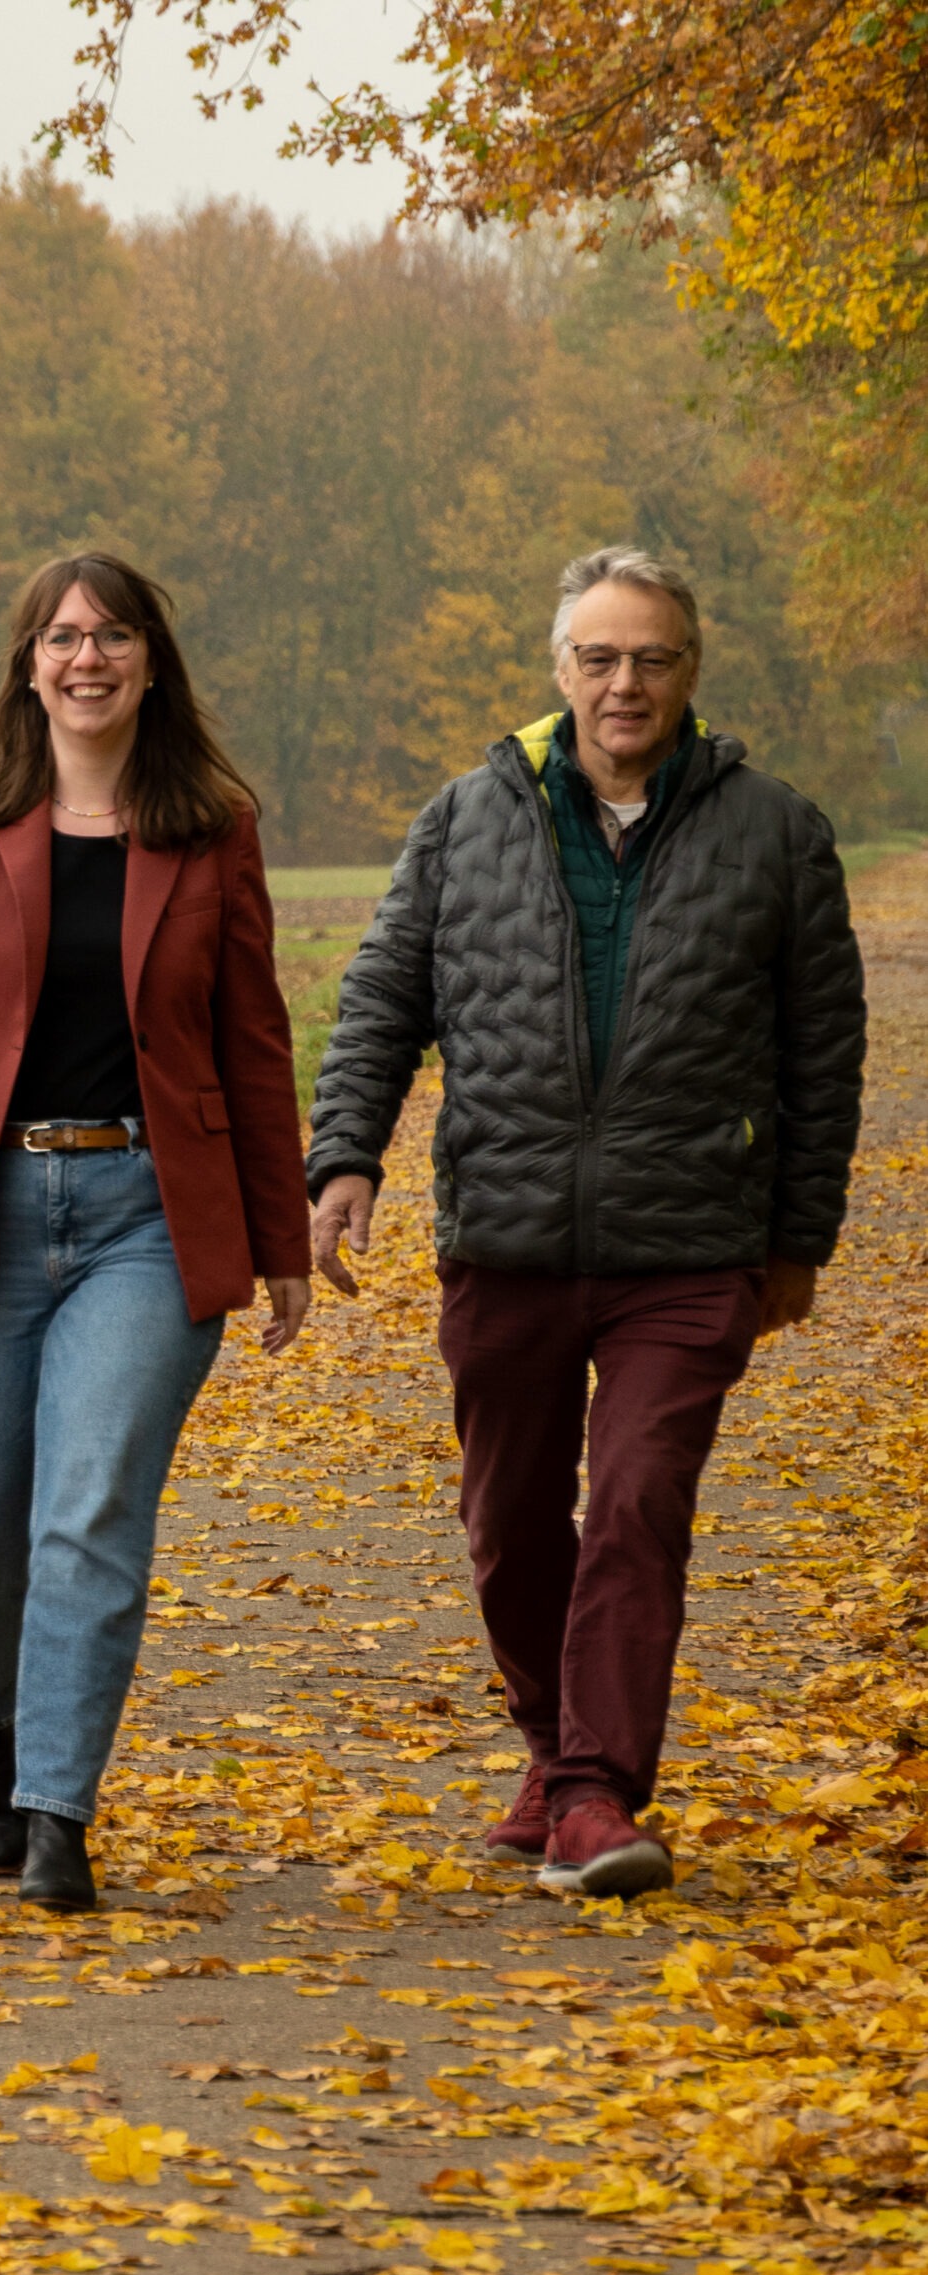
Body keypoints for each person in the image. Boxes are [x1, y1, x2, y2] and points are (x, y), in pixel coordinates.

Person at [309, 546, 866, 1902]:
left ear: (691, 671)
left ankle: (594, 1793)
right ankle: (559, 1756)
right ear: (560, 669)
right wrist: (345, 1158)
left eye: (652, 658)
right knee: (509, 1521)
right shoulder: (467, 817)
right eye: (600, 657)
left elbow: (823, 1053)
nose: (626, 683)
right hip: (506, 1236)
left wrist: (797, 1241)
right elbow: (384, 997)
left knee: (635, 1502)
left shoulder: (776, 830)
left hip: (690, 1242)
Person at [0, 552, 313, 1913]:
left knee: (89, 1508)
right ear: (30, 665)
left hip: (147, 1220)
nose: (87, 657)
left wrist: (279, 1238)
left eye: (112, 635)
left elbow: (254, 1039)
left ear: (151, 662)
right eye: (62, 637)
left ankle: (58, 1806)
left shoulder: (212, 828)